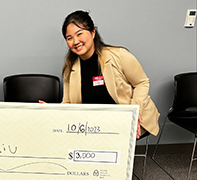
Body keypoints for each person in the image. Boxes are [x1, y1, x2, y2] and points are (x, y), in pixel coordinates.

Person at [41, 10, 159, 139]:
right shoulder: (70, 69)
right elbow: (68, 104)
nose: (75, 41)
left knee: (111, 143)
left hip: (128, 118)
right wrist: (50, 110)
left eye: (79, 34)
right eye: (69, 38)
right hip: (95, 124)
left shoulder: (119, 55)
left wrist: (133, 112)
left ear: (93, 33)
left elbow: (142, 82)